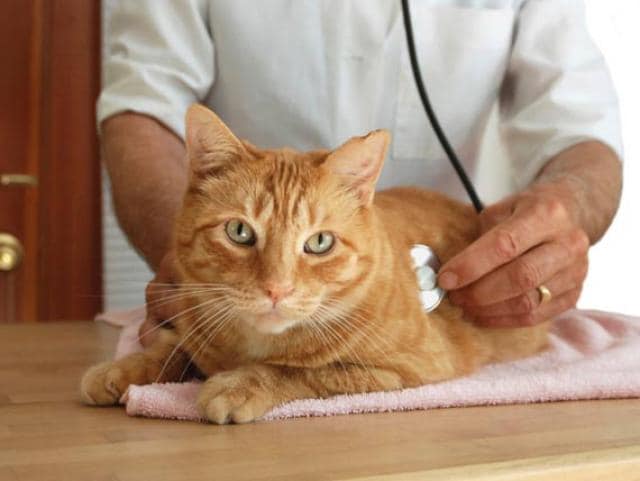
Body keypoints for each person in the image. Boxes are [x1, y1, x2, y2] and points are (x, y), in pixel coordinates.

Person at [99, 0, 623, 343]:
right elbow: (143, 106)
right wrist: (193, 260)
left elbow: (580, 128)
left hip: (444, 293)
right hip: (233, 300)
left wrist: (566, 210)